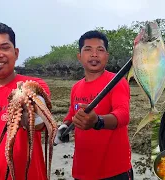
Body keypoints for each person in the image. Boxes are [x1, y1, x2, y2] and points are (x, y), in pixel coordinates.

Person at [54, 30, 133, 179]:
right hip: (82, 170)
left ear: (106, 57)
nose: (94, 54)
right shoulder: (76, 87)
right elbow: (72, 113)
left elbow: (123, 115)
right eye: (88, 49)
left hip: (114, 171)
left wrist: (98, 121)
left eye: (100, 50)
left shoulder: (117, 82)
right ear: (80, 56)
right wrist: (64, 126)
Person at [0, 22, 50, 179]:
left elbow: (40, 123)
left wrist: (29, 115)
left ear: (16, 53)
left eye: (4, 47)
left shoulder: (35, 86)